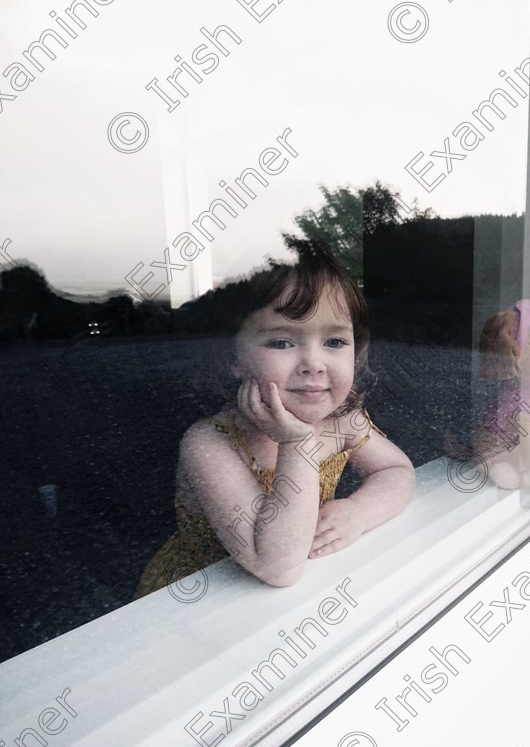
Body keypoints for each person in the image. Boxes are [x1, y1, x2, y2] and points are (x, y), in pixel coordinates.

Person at [135, 241, 415, 595]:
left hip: (290, 603)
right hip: (204, 602)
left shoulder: (343, 421)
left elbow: (398, 472)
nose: (314, 363)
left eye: (334, 342)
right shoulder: (211, 443)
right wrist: (296, 443)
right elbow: (277, 565)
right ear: (232, 357)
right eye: (282, 343)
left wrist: (359, 513)